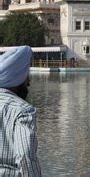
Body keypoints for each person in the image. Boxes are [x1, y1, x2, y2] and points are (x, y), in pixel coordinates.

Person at [0, 46, 41, 175]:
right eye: (26, 77)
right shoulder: (23, 110)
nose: (28, 82)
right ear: (17, 79)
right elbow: (25, 156)